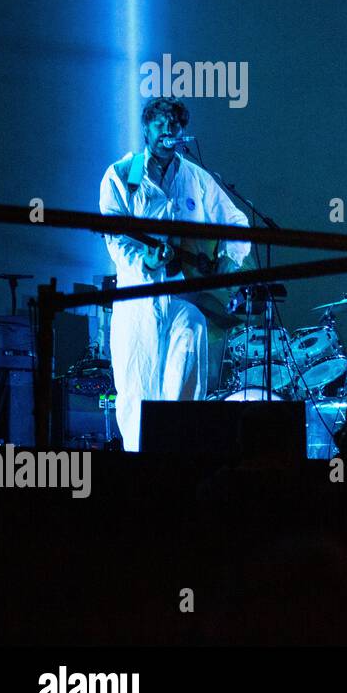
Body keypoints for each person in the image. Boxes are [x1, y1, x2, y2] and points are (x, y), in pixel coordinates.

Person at [99, 98, 251, 451]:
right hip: (138, 301)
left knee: (184, 381)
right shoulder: (124, 175)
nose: (167, 131)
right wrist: (146, 261)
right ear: (147, 129)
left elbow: (237, 222)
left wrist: (228, 258)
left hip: (187, 299)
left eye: (174, 125)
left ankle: (181, 461)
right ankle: (139, 469)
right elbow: (116, 239)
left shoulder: (197, 177)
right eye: (160, 124)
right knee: (138, 388)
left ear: (182, 132)